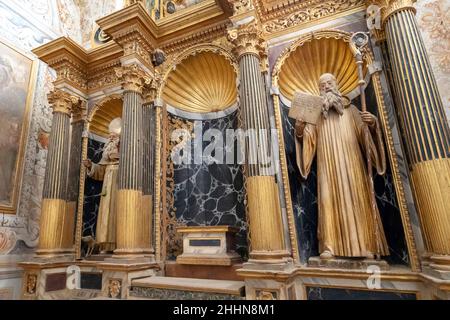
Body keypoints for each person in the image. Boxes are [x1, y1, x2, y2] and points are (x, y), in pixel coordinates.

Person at [294, 73, 389, 260]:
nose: (327, 86)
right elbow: (308, 138)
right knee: (327, 201)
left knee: (357, 197)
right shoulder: (315, 115)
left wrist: (372, 124)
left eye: (330, 83)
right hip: (327, 164)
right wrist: (298, 127)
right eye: (322, 85)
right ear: (319, 90)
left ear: (337, 84)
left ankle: (366, 245)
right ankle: (329, 246)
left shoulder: (352, 109)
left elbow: (365, 136)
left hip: (352, 161)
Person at [83, 118, 121, 253]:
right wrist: (91, 166)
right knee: (105, 212)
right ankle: (105, 244)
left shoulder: (124, 150)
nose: (111, 137)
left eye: (114, 136)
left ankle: (118, 243)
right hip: (107, 183)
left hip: (120, 184)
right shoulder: (108, 151)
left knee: (117, 211)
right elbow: (101, 171)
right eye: (110, 135)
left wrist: (118, 155)